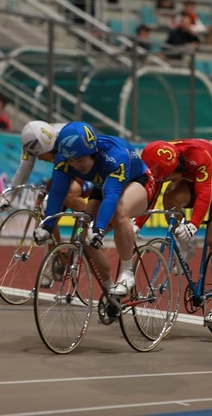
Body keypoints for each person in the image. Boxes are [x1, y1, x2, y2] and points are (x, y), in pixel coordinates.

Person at [33, 122, 156, 297]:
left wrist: (99, 228)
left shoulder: (115, 155)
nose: (76, 165)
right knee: (84, 235)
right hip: (105, 183)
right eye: (71, 161)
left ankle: (127, 273)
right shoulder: (64, 158)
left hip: (137, 181)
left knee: (119, 211)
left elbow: (112, 195)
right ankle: (109, 292)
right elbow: (58, 192)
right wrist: (47, 226)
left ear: (93, 152)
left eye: (80, 160)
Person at [135, 139, 212, 327]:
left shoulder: (198, 157)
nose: (166, 181)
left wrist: (192, 226)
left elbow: (204, 195)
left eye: (168, 178)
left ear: (177, 167)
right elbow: (152, 196)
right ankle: (185, 246)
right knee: (170, 196)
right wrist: (136, 224)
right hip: (192, 181)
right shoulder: (163, 158)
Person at [0, 121, 90, 215]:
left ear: (49, 146)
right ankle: (47, 231)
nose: (38, 159)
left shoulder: (66, 139)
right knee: (44, 207)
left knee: (69, 194)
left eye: (39, 154)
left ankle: (94, 224)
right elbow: (24, 169)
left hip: (87, 168)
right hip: (65, 169)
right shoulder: (32, 143)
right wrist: (8, 197)